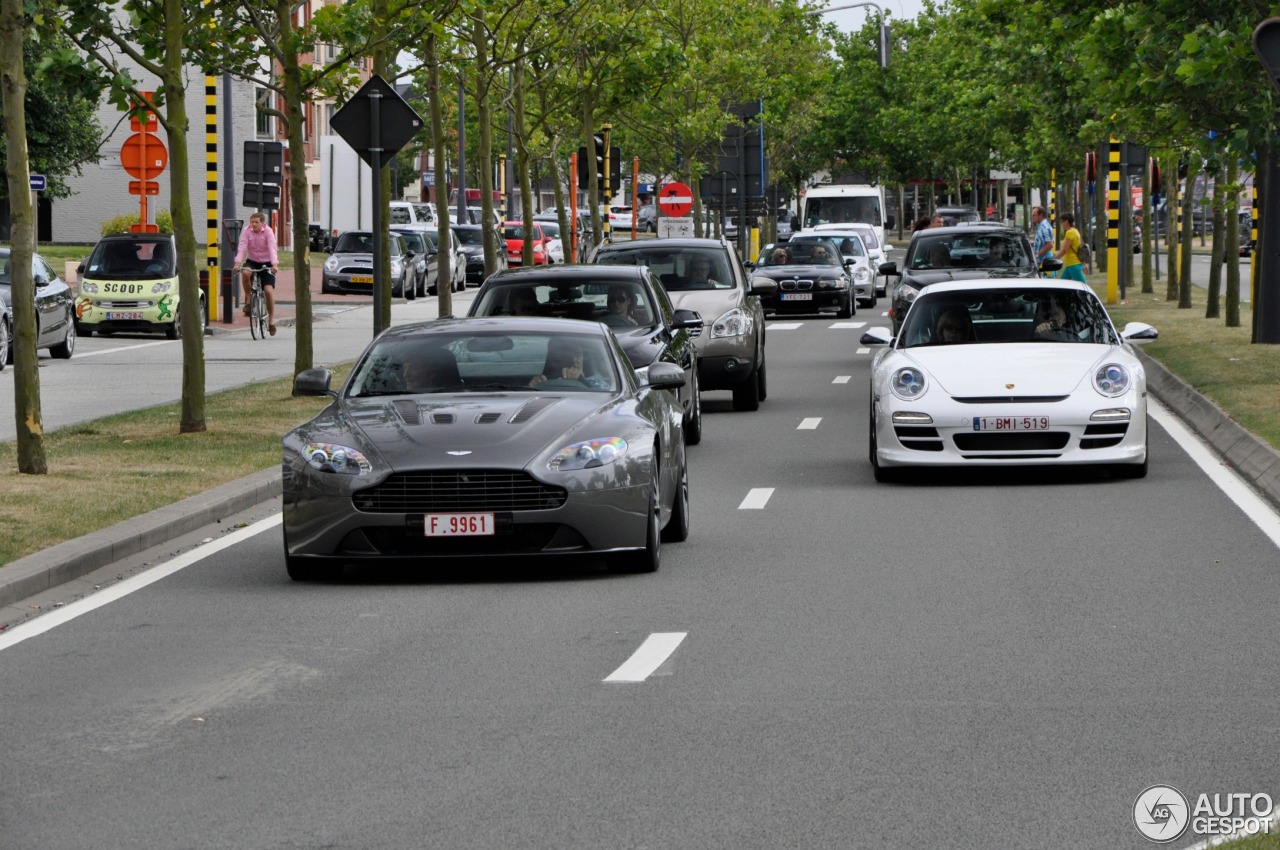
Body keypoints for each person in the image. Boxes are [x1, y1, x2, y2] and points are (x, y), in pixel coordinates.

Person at [234, 212, 280, 335]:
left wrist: (274, 265)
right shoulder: (246, 231)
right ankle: (249, 299)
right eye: (252, 222)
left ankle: (271, 321)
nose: (253, 224)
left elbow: (272, 248)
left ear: (262, 223)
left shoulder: (268, 232)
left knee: (268, 291)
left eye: (256, 222)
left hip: (267, 262)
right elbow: (242, 247)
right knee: (245, 273)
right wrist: (237, 263)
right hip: (252, 261)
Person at [1054, 213, 1087, 282]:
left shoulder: (1069, 233)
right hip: (1072, 264)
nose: (1061, 224)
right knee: (1062, 285)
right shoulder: (1076, 231)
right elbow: (1079, 249)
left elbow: (1064, 250)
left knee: (1083, 287)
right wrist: (1084, 263)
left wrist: (1055, 258)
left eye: (1062, 222)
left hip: (1073, 264)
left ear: (1066, 221)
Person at [1031, 206, 1054, 270]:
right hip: (1043, 260)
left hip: (1045, 261)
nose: (1032, 217)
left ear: (1040, 215)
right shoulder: (1042, 225)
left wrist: (1037, 255)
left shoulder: (1043, 227)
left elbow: (1049, 245)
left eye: (1034, 215)